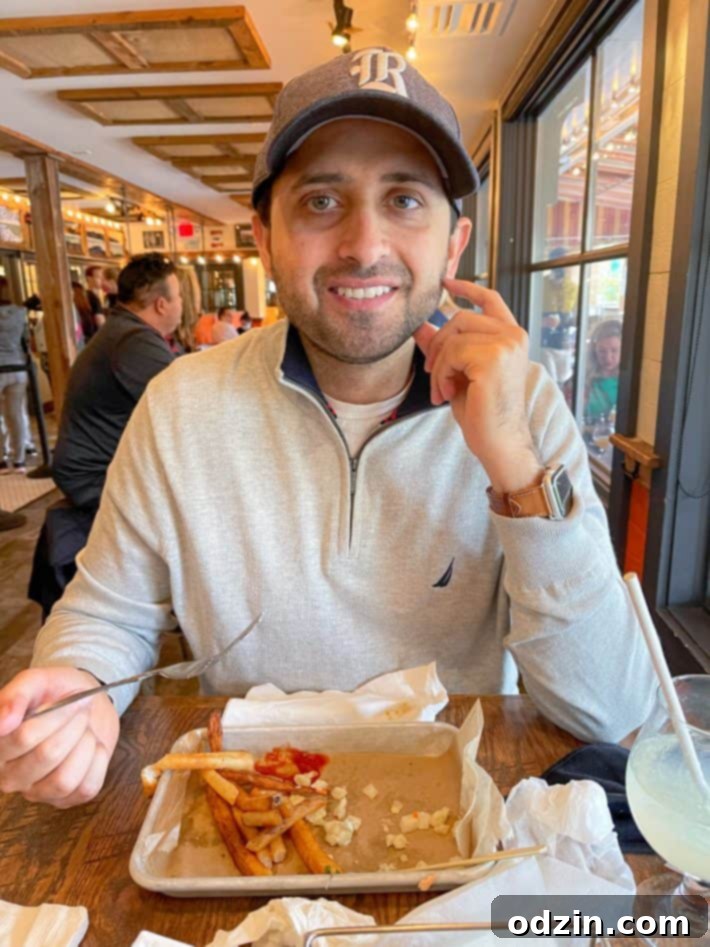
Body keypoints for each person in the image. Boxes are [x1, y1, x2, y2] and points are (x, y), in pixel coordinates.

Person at [0, 49, 654, 808]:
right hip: (252, 802)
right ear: (264, 236)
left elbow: (612, 711)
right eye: (319, 201)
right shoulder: (181, 403)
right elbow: (107, 612)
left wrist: (513, 467)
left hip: (457, 818)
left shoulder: (526, 405)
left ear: (454, 242)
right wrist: (79, 687)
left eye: (405, 199)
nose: (365, 245)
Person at [27, 254, 179, 619]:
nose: (180, 306)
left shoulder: (121, 332)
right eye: (179, 297)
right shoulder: (134, 342)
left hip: (93, 471)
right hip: (95, 479)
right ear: (162, 304)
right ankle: (173, 613)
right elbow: (187, 409)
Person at [0, 281, 29, 475]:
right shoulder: (20, 313)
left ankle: (2, 459)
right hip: (18, 367)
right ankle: (19, 460)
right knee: (15, 415)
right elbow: (26, 341)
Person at [584, 319, 622, 423]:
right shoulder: (583, 379)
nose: (608, 358)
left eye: (614, 350)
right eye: (602, 351)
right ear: (594, 350)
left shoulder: (629, 381)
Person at [84, 265, 105, 335]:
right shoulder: (92, 297)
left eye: (102, 277)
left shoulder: (92, 295)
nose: (102, 280)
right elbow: (101, 324)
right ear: (89, 278)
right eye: (98, 277)